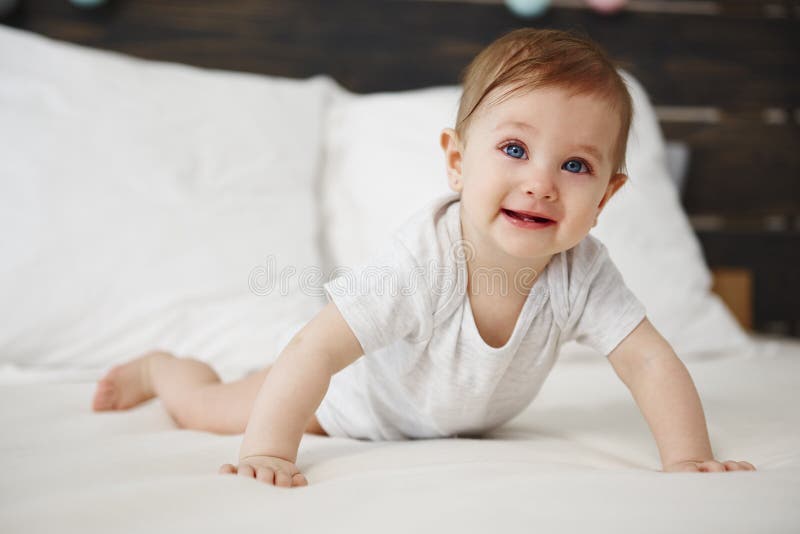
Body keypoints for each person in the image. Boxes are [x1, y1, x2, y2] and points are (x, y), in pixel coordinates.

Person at [92, 28, 756, 487]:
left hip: (445, 415)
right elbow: (316, 352)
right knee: (213, 408)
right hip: (348, 404)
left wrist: (687, 459)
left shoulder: (583, 272)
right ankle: (166, 371)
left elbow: (647, 360)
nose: (542, 182)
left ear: (608, 194)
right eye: (516, 150)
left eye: (576, 164)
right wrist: (269, 450)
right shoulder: (423, 263)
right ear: (459, 162)